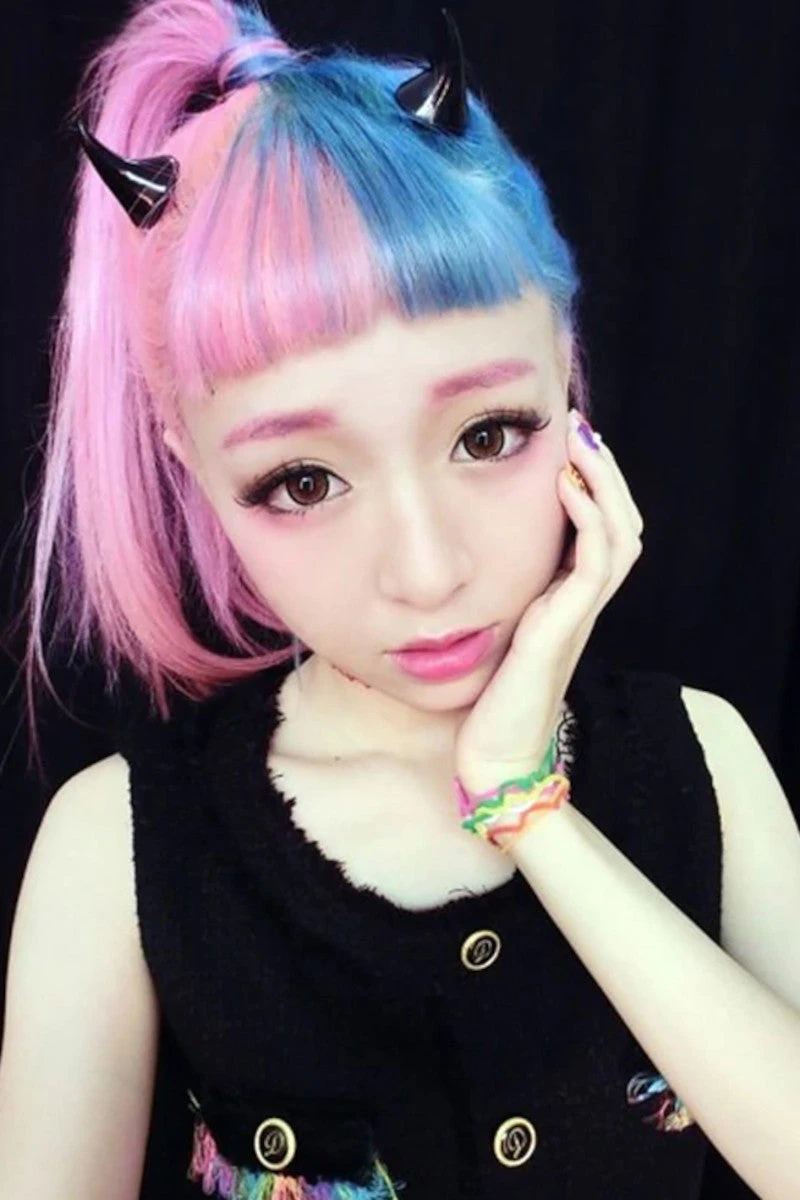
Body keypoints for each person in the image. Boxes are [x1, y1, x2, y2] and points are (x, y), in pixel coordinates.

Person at [3, 1, 800, 1197]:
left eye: (488, 433)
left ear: (568, 383)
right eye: (301, 481)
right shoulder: (116, 845)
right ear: (194, 471)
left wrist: (525, 806)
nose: (425, 573)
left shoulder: (704, 761)